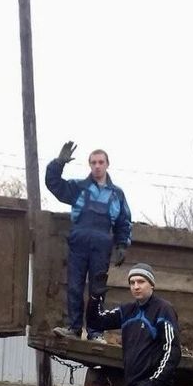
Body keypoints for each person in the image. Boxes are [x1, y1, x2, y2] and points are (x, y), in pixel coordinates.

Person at [45, 141, 132, 342]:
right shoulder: (78, 187)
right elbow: (54, 184)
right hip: (79, 243)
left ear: (107, 164)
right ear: (89, 165)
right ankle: (74, 328)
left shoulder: (116, 194)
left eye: (101, 162)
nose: (97, 166)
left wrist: (121, 244)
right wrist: (58, 163)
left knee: (97, 290)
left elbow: (124, 221)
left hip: (102, 246)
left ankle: (95, 332)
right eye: (93, 162)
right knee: (74, 286)